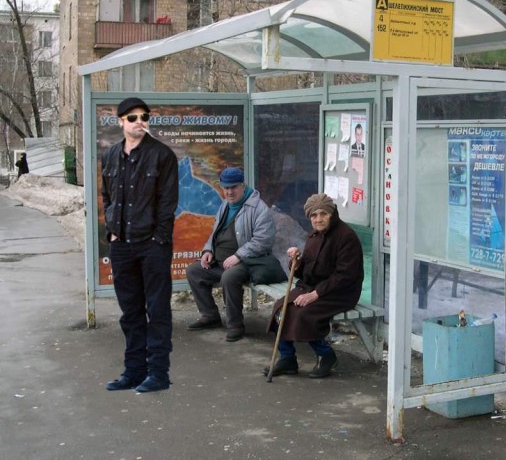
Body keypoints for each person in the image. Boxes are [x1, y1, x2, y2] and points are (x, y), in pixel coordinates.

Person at [101, 97, 179, 393]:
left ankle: (159, 373)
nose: (139, 122)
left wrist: (159, 239)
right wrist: (111, 231)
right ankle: (133, 371)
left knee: (157, 310)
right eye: (132, 118)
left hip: (152, 245)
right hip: (121, 244)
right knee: (130, 311)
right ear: (120, 121)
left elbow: (168, 202)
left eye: (144, 117)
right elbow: (107, 196)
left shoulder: (162, 155)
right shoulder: (110, 156)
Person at [264, 193, 363, 379]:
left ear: (332, 214)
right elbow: (307, 271)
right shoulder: (314, 235)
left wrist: (315, 294)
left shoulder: (346, 237)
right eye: (314, 215)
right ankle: (288, 359)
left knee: (303, 314)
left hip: (341, 292)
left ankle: (326, 355)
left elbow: (345, 276)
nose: (318, 219)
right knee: (280, 309)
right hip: (313, 287)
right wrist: (297, 262)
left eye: (323, 214)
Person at [186, 167, 279, 342]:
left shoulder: (259, 208)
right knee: (194, 270)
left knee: (229, 277)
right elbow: (215, 234)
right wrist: (208, 251)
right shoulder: (225, 206)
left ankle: (235, 325)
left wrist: (238, 256)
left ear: (243, 186)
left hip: (248, 262)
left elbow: (264, 241)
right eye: (226, 187)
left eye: (233, 187)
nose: (229, 192)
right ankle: (210, 316)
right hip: (221, 260)